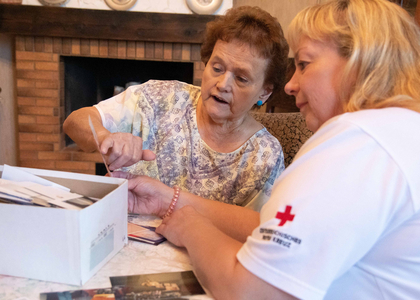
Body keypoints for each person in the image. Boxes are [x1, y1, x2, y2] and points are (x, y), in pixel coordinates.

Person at [116, 0, 420, 299]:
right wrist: (170, 200)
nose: (291, 85)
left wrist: (192, 226)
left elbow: (251, 291)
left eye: (303, 64)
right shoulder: (400, 132)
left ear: (359, 62)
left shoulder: (355, 142)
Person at [63, 6, 289, 211]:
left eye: (241, 78)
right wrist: (105, 137)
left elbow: (253, 232)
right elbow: (75, 122)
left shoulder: (264, 155)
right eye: (217, 67)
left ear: (264, 92)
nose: (222, 84)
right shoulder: (160, 98)